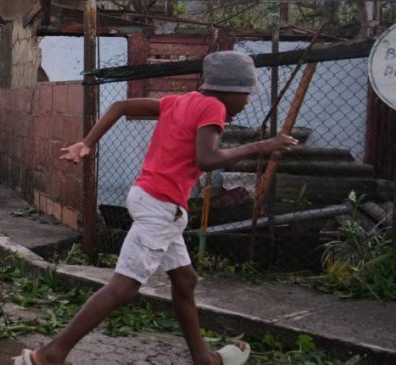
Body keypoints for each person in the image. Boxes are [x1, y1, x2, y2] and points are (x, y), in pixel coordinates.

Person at [17, 51, 297, 365]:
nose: (246, 103)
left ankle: (203, 358)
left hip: (152, 198)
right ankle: (50, 355)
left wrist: (88, 142)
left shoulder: (181, 101)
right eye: (245, 95)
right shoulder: (213, 106)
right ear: (230, 90)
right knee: (124, 286)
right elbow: (207, 159)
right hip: (160, 206)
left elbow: (121, 106)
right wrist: (262, 145)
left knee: (185, 280)